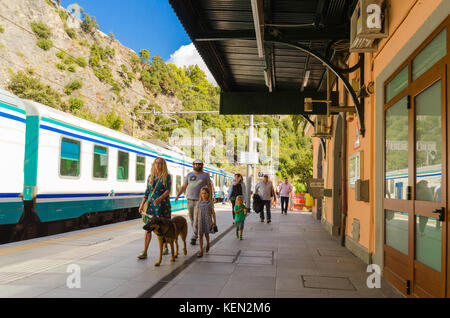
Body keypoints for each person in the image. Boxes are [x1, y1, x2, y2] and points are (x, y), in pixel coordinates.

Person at [137, 157, 172, 259]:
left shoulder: (167, 176)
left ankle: (165, 246)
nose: (158, 165)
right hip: (151, 206)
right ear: (154, 164)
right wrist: (142, 205)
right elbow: (147, 191)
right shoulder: (150, 177)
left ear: (163, 165)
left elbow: (167, 190)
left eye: (160, 163)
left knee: (163, 227)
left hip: (163, 205)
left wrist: (160, 198)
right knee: (148, 228)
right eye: (156, 163)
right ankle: (145, 251)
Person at [175, 159, 212, 245]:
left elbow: (209, 187)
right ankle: (195, 234)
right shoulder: (189, 175)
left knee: (196, 219)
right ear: (193, 165)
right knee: (192, 219)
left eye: (199, 164)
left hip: (200, 201)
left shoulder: (205, 176)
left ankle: (194, 236)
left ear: (202, 165)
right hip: (190, 200)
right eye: (196, 164)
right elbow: (184, 186)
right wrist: (178, 195)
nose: (197, 165)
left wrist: (210, 199)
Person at [195, 187, 217, 257]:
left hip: (208, 220)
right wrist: (196, 222)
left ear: (208, 194)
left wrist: (214, 222)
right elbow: (197, 213)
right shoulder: (199, 202)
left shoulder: (210, 202)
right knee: (200, 235)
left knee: (206, 234)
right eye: (202, 193)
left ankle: (208, 243)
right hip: (200, 221)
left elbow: (213, 213)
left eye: (205, 193)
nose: (203, 195)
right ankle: (201, 250)